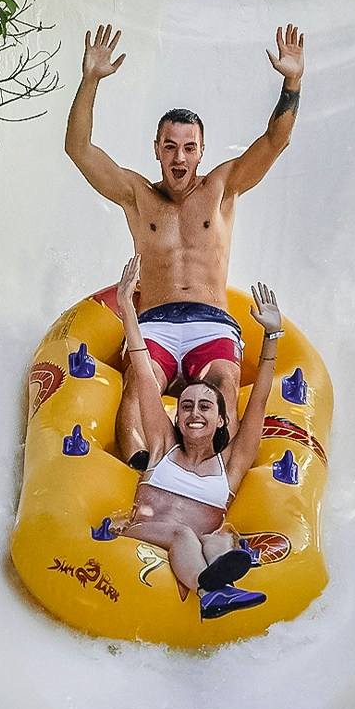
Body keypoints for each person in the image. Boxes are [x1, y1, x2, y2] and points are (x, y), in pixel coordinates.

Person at [65, 22, 305, 464]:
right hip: (154, 322)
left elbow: (276, 140)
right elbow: (78, 149)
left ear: (202, 151)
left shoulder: (222, 188)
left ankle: (213, 479)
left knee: (223, 390)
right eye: (171, 147)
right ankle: (144, 471)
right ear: (156, 148)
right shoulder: (137, 195)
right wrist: (90, 80)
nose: (180, 158)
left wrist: (292, 80)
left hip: (211, 322)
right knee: (139, 391)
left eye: (189, 148)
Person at [113, 254, 283, 620]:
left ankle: (225, 586)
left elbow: (258, 400)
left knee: (221, 539)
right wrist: (127, 306)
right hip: (149, 533)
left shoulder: (231, 466)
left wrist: (272, 336)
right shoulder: (161, 445)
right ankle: (209, 593)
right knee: (183, 535)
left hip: (199, 548)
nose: (192, 413)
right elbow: (143, 372)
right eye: (186, 406)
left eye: (205, 407)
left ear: (222, 420)